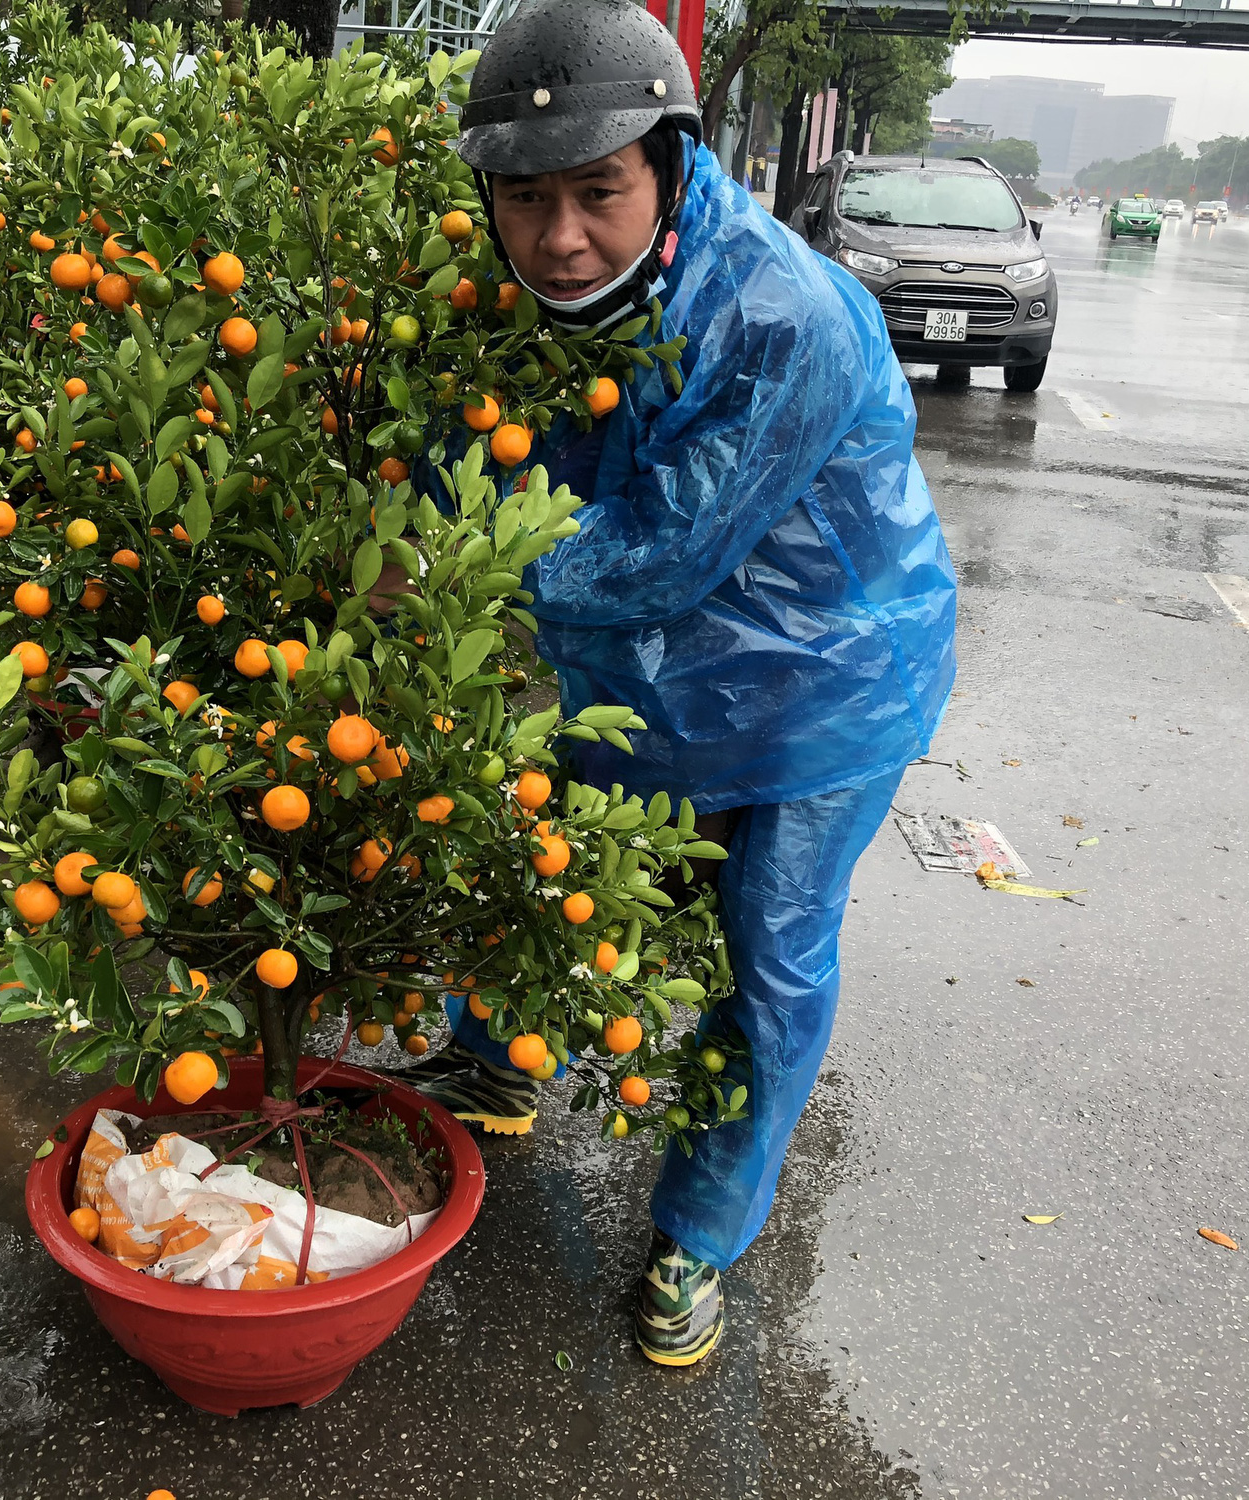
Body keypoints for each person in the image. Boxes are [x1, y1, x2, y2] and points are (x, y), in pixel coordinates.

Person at [403, 0, 957, 1368]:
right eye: (525, 201)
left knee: (767, 949)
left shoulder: (782, 316)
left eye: (599, 193)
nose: (561, 237)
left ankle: (699, 1234)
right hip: (641, 672)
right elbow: (452, 459)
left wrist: (436, 572)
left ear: (670, 163)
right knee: (543, 857)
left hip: (826, 677)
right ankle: (499, 1056)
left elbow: (654, 557)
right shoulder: (497, 306)